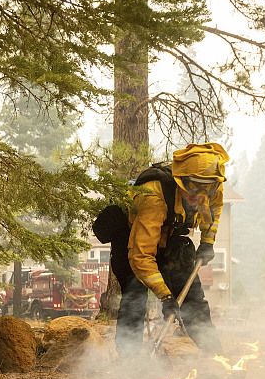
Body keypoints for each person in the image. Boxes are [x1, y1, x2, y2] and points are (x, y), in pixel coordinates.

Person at [98, 143, 228, 356]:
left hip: (172, 237)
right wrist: (166, 298)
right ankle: (129, 365)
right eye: (193, 188)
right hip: (133, 239)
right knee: (135, 298)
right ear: (182, 181)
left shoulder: (211, 184)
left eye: (206, 189)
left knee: (192, 298)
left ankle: (216, 357)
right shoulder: (153, 196)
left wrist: (207, 242)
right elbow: (141, 256)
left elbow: (215, 210)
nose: (199, 196)